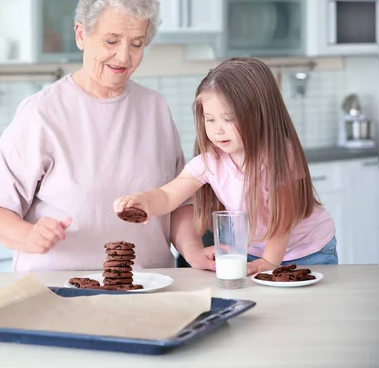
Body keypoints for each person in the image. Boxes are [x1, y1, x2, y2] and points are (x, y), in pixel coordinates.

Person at [0, 0, 213, 272]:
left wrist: (193, 251)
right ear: (81, 35)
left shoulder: (155, 108)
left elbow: (178, 202)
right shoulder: (40, 114)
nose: (123, 56)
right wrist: (28, 235)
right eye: (111, 40)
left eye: (137, 43)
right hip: (58, 292)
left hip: (147, 288)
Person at [114, 57, 338, 275]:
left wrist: (270, 261)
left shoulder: (280, 157)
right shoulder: (211, 161)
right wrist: (145, 201)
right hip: (253, 253)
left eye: (228, 119)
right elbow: (169, 194)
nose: (217, 129)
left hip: (310, 251)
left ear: (259, 115)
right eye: (210, 119)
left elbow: (282, 219)